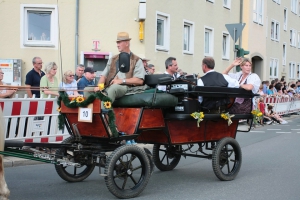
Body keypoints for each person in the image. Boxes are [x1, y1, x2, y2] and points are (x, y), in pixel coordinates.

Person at [92, 32, 145, 103]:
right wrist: (100, 86)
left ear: (127, 43)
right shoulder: (113, 59)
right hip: (109, 86)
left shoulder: (136, 60)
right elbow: (104, 76)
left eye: (119, 42)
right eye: (117, 43)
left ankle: (105, 112)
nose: (117, 45)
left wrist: (121, 81)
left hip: (126, 87)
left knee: (113, 88)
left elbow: (139, 81)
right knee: (88, 89)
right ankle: (92, 113)